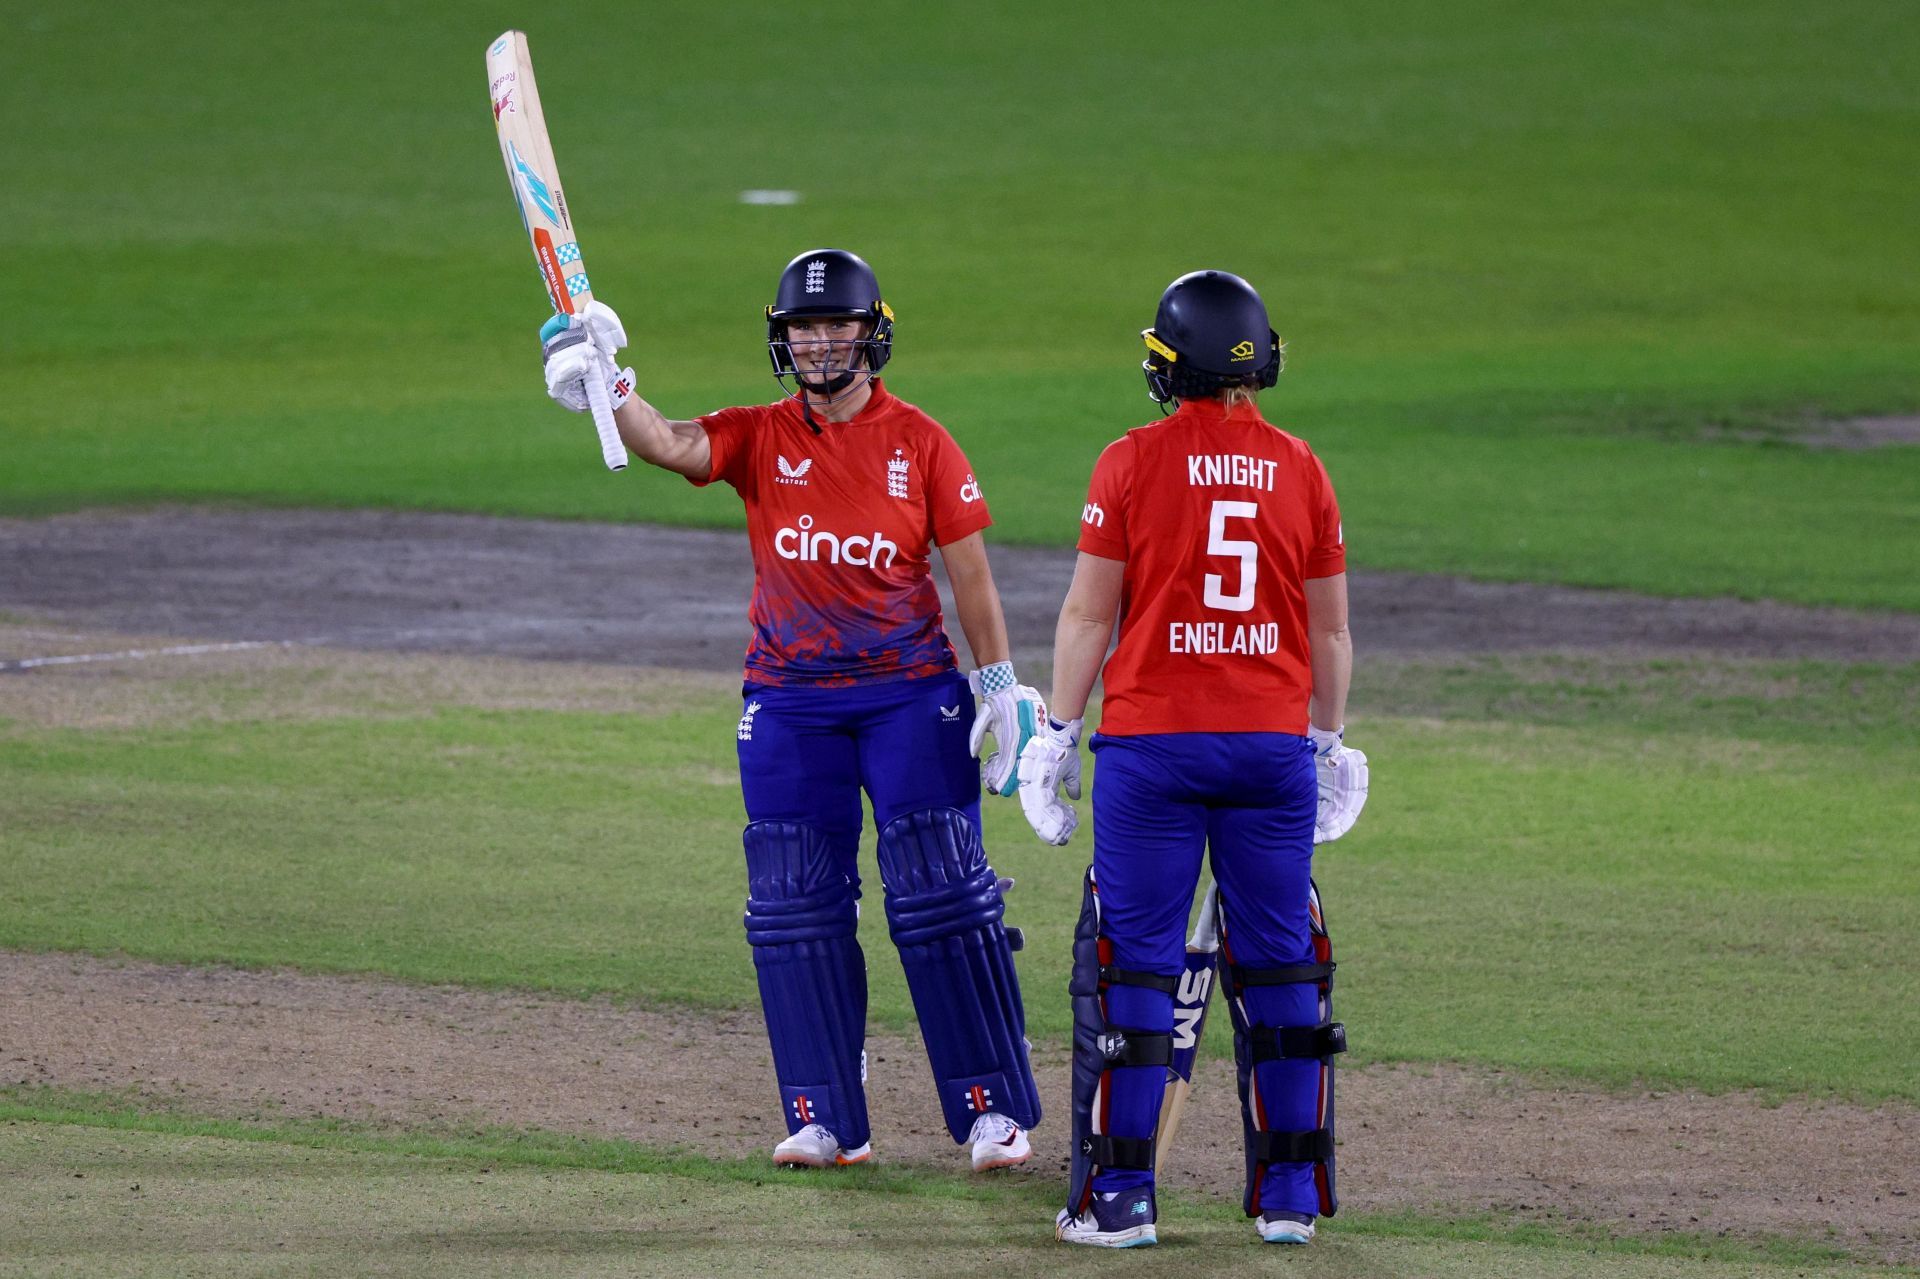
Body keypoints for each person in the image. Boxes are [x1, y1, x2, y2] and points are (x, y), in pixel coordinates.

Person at [539, 248, 1046, 1172]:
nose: (816, 344)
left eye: (833, 327)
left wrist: (1000, 683)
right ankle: (826, 1116)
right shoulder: (760, 434)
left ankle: (991, 1110)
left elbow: (968, 574)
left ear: (871, 332)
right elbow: (669, 440)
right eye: (800, 330)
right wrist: (608, 382)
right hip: (789, 700)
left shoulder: (922, 442)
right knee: (794, 906)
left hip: (908, 692)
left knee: (941, 895)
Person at [1016, 270, 1369, 1247]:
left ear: (1170, 367)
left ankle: (1121, 1199)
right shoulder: (1302, 468)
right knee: (1283, 973)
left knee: (1135, 974)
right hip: (1270, 751)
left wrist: (1057, 732)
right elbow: (1331, 638)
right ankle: (1291, 1196)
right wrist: (1330, 743)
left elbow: (1091, 612)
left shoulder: (1128, 463)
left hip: (1154, 751)